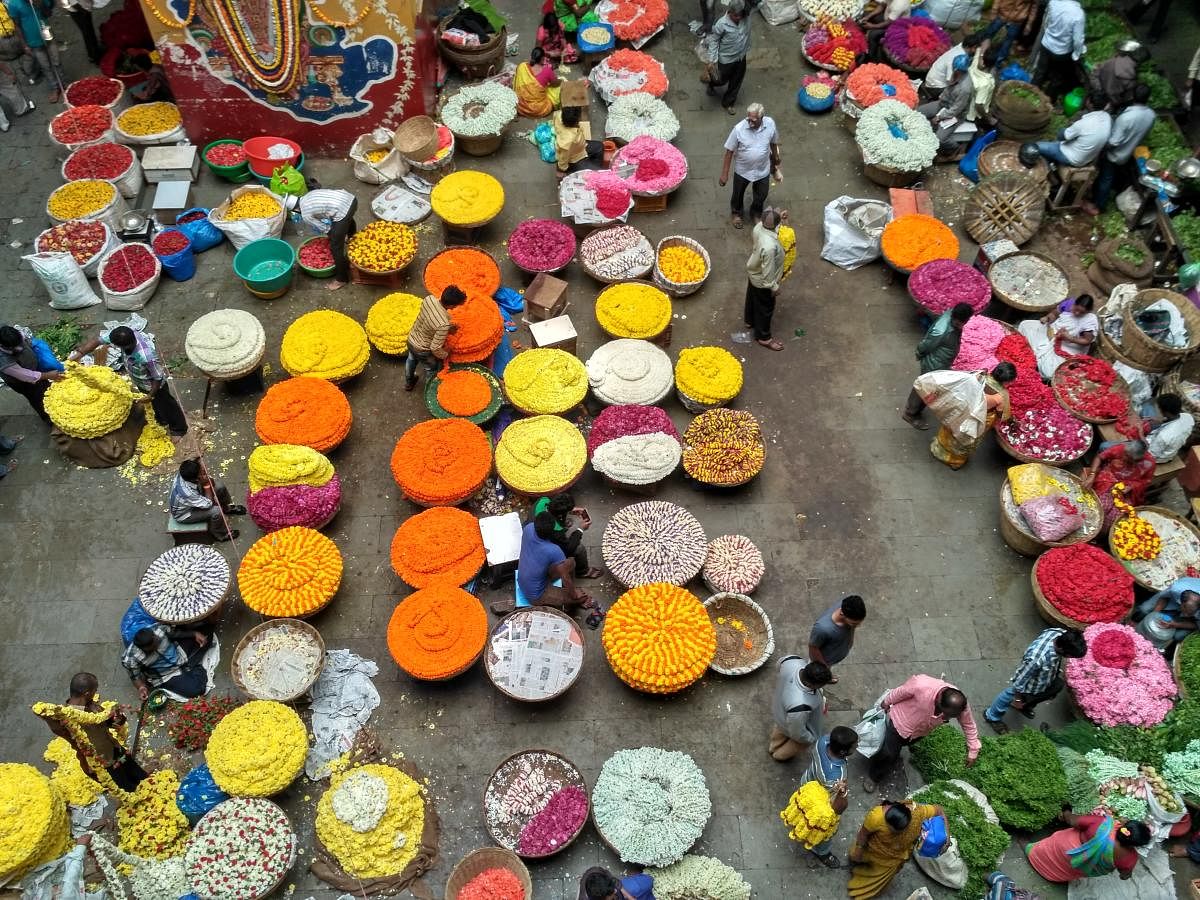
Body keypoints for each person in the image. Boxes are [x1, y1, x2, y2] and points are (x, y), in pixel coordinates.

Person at [864, 675, 980, 792]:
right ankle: (874, 776)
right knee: (888, 753)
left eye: (950, 716)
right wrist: (885, 703)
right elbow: (899, 693)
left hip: (919, 732)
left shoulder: (960, 705)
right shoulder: (920, 685)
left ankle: (893, 753)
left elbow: (968, 724)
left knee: (898, 747)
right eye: (945, 713)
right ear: (939, 700)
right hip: (898, 723)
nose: (946, 718)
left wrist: (973, 749)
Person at [36, 673, 148, 793]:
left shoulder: (91, 704)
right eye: (95, 689)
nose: (96, 692)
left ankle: (145, 781)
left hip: (114, 747)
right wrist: (48, 718)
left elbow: (106, 721)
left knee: (131, 766)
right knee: (125, 785)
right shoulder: (67, 719)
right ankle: (136, 795)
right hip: (103, 761)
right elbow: (59, 730)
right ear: (87, 693)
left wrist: (116, 719)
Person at [71, 324, 189, 436]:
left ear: (126, 346)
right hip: (141, 382)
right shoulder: (121, 335)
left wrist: (151, 394)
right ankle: (161, 419)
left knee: (167, 405)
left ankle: (178, 429)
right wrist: (80, 353)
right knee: (155, 406)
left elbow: (157, 377)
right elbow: (98, 341)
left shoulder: (146, 356)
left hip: (155, 386)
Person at [984, 628, 1086, 732]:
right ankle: (991, 716)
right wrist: (1018, 699)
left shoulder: (1059, 633)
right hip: (1029, 685)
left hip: (1045, 679)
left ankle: (1024, 705)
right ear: (1061, 648)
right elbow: (1020, 680)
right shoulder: (1037, 658)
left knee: (1057, 686)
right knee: (1010, 694)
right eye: (1070, 655)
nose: (1070, 657)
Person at [493, 510, 591, 615]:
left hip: (527, 576)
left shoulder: (528, 528)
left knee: (571, 562)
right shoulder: (553, 550)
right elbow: (565, 577)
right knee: (581, 596)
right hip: (534, 594)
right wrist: (574, 595)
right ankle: (569, 605)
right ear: (552, 531)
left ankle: (568, 597)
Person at [848, 799, 946, 898]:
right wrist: (859, 849)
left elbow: (939, 810)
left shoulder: (918, 814)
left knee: (869, 883)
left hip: (892, 859)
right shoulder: (876, 817)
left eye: (899, 831)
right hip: (873, 849)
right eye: (891, 830)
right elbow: (863, 834)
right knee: (854, 855)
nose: (895, 834)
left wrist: (947, 837)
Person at [930, 362, 1016, 469]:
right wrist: (1012, 421)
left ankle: (938, 449)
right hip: (978, 418)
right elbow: (1002, 415)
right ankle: (954, 461)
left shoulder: (979, 376)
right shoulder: (1002, 395)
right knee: (965, 438)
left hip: (963, 409)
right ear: (1007, 381)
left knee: (951, 430)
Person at [1025, 810, 1149, 882]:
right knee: (1071, 868)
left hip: (1060, 850)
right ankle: (1052, 875)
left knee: (1056, 844)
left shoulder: (1102, 824)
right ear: (1134, 845)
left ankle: (1034, 854)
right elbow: (1124, 876)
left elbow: (1073, 821)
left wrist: (1067, 812)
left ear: (1125, 825)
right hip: (1070, 869)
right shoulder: (1130, 858)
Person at [903, 303, 973, 430]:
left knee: (929, 388)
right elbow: (926, 345)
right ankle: (910, 413)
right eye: (961, 323)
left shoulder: (952, 316)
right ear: (956, 319)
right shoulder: (941, 331)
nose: (963, 325)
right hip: (933, 364)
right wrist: (920, 355)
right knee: (922, 387)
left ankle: (917, 408)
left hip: (941, 363)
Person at [1089, 83, 1155, 214]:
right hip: (1130, 152)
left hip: (1115, 155)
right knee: (1115, 174)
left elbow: (1114, 142)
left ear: (1132, 96)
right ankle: (1112, 190)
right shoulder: (1151, 115)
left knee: (1105, 178)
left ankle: (1099, 205)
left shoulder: (1126, 118)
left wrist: (1101, 147)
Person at [799, 726, 858, 868]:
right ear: (843, 752)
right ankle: (822, 852)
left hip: (807, 782)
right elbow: (839, 807)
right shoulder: (836, 777)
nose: (857, 747)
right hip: (820, 801)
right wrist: (843, 793)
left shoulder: (822, 741)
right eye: (855, 746)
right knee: (824, 831)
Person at [720, 103, 780, 229]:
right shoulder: (738, 129)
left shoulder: (770, 124)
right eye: (749, 119)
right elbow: (729, 151)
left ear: (761, 118)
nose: (750, 123)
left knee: (762, 194)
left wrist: (775, 159)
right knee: (738, 193)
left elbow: (773, 143)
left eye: (754, 120)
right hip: (743, 170)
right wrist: (724, 174)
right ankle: (736, 213)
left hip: (763, 169)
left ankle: (756, 213)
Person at [1016, 295, 1099, 379]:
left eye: (1082, 312)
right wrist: (1047, 318)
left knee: (1049, 372)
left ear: (1088, 311)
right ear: (1074, 304)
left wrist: (1070, 338)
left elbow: (1087, 340)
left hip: (1068, 346)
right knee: (1025, 325)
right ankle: (1036, 350)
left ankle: (1035, 352)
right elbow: (1054, 314)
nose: (1077, 313)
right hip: (1052, 331)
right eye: (1076, 309)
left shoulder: (1090, 320)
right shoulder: (1069, 304)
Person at [122, 623, 213, 700]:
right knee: (196, 691)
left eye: (157, 642)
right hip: (166, 675)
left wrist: (194, 634)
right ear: (144, 649)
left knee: (206, 633)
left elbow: (177, 634)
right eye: (154, 647)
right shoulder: (131, 659)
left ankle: (188, 669)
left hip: (179, 654)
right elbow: (135, 676)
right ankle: (193, 669)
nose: (157, 645)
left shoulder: (159, 630)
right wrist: (141, 688)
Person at [768, 657, 833, 761]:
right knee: (794, 744)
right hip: (793, 723)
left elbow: (779, 664)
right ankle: (778, 756)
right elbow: (797, 732)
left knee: (779, 732)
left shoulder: (792, 661)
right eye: (820, 685)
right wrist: (810, 738)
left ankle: (773, 747)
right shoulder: (801, 705)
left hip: (780, 711)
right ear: (809, 684)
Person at [1082, 440, 1155, 530]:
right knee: (1100, 507)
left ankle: (1098, 533)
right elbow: (1099, 457)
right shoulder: (1120, 448)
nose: (1124, 457)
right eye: (1125, 454)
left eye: (1128, 458)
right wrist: (1092, 475)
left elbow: (1146, 481)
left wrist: (1131, 487)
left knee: (1115, 517)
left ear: (1137, 460)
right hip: (1109, 478)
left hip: (1127, 488)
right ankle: (1084, 526)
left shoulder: (1149, 463)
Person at [404, 285, 465, 391]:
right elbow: (435, 348)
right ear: (450, 305)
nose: (455, 308)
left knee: (411, 360)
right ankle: (430, 391)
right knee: (431, 369)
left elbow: (430, 319)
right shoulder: (443, 324)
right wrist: (446, 354)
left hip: (411, 338)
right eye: (455, 306)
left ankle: (409, 383)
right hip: (422, 349)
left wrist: (448, 328)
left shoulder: (429, 299)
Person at [169, 457, 244, 541]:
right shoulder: (188, 493)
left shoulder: (185, 473)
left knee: (220, 487)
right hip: (186, 514)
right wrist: (207, 485)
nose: (204, 473)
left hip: (193, 499)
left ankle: (226, 509)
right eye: (202, 473)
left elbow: (211, 480)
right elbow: (209, 504)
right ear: (197, 479)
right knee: (216, 511)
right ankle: (221, 534)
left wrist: (205, 477)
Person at [295, 188, 357, 289]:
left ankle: (342, 279)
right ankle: (353, 239)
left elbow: (326, 229)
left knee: (335, 248)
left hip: (343, 211)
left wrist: (335, 239)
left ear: (296, 210)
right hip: (351, 200)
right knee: (347, 218)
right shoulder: (307, 196)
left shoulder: (305, 214)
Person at [0, 323, 63, 421]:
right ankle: (50, 420)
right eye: (15, 347)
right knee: (37, 398)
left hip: (33, 368)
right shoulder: (4, 361)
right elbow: (27, 376)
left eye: (20, 343)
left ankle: (57, 407)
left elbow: (29, 341)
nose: (20, 348)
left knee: (47, 389)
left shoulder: (14, 335)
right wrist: (48, 375)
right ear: (3, 346)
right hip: (22, 382)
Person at [1031, 92, 1112, 167]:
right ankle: (1051, 162)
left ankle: (1051, 169)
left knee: (1035, 146)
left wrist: (1066, 128)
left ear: (1089, 103)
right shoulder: (1108, 118)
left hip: (1071, 157)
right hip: (1087, 158)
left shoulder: (1084, 123)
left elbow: (1061, 137)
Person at [743, 208, 785, 351]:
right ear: (775, 225)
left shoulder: (758, 227)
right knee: (765, 307)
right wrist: (774, 287)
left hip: (753, 272)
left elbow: (772, 224)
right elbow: (768, 272)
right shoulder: (769, 248)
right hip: (763, 280)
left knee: (752, 297)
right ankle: (764, 337)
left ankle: (749, 320)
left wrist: (780, 217)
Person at [533, 493, 602, 579]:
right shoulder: (555, 531)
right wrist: (580, 529)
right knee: (579, 549)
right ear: (559, 515)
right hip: (542, 544)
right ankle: (583, 571)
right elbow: (569, 548)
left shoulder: (543, 500)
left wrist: (570, 510)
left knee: (563, 524)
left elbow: (553, 511)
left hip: (534, 528)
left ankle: (563, 521)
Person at [6, 0, 62, 101]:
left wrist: (39, 3)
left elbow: (49, 13)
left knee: (57, 61)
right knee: (45, 66)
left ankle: (63, 83)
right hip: (33, 42)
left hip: (48, 36)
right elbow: (17, 26)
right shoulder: (13, 4)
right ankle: (55, 88)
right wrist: (25, 45)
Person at [919, 54, 975, 155]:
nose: (954, 70)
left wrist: (940, 117)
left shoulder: (965, 89)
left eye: (956, 69)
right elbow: (947, 89)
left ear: (962, 70)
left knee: (939, 139)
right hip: (943, 103)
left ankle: (955, 148)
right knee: (919, 112)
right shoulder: (955, 73)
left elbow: (956, 110)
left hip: (955, 114)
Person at [1033, 0, 1085, 100]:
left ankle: (1031, 93)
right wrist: (1076, 54)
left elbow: (1047, 22)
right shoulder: (1078, 14)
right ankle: (1047, 101)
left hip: (1046, 44)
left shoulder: (1054, 2)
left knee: (1040, 72)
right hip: (1061, 52)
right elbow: (1078, 40)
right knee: (1056, 78)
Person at [1133, 577, 1200, 653]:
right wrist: (1154, 614)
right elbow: (1164, 598)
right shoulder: (1177, 589)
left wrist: (1175, 625)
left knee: (1179, 636)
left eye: (1190, 613)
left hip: (1193, 618)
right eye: (1186, 611)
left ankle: (1166, 652)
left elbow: (1196, 625)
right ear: (1181, 603)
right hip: (1172, 598)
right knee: (1144, 609)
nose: (1186, 615)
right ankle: (1133, 623)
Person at [706, 1, 751, 113]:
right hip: (726, 59)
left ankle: (728, 103)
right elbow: (714, 40)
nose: (739, 18)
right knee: (720, 79)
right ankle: (712, 84)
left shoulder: (746, 17)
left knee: (736, 80)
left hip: (741, 56)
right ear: (729, 12)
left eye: (740, 15)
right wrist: (711, 61)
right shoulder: (721, 24)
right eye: (736, 15)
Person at [808, 594, 867, 678]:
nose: (859, 625)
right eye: (854, 623)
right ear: (842, 613)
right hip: (825, 660)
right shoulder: (822, 628)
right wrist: (824, 669)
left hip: (834, 656)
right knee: (817, 676)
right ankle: (827, 678)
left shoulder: (849, 605)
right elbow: (813, 648)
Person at [969, 0, 1037, 66]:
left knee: (1008, 41)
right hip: (1002, 13)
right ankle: (980, 54)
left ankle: (998, 61)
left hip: (1017, 20)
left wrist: (1029, 24)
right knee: (989, 33)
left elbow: (1034, 7)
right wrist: (994, 10)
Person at [924, 32, 983, 97]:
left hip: (932, 80)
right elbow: (951, 80)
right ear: (971, 47)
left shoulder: (960, 47)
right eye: (975, 49)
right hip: (936, 87)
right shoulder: (958, 58)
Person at [1089, 41, 1144, 108]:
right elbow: (1127, 97)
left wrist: (1099, 89)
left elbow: (1095, 74)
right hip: (1111, 102)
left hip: (1098, 96)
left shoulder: (1111, 62)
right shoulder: (1132, 80)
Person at [515, 46, 559, 118]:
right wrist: (558, 80)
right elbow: (555, 84)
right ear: (543, 59)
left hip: (521, 107)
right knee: (556, 90)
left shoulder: (522, 66)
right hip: (539, 109)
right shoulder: (547, 71)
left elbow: (517, 79)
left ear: (531, 56)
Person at [60, 0, 101, 64]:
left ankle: (94, 53)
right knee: (88, 33)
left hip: (80, 7)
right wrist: (84, 9)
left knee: (89, 31)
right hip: (78, 9)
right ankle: (94, 56)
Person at [577, 866, 653, 900]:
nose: (616, 891)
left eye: (613, 889)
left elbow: (613, 880)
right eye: (610, 893)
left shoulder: (595, 871)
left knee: (647, 882)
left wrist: (629, 896)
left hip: (619, 896)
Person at [554, 104, 588, 176]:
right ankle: (571, 172)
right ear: (577, 121)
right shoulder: (568, 142)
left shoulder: (558, 114)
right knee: (588, 172)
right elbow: (563, 159)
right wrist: (561, 170)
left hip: (578, 147)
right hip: (575, 158)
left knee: (599, 146)